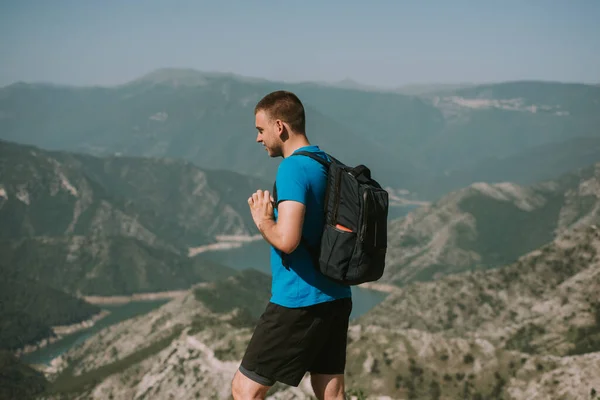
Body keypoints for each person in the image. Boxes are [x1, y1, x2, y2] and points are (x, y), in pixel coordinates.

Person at [231, 90, 353, 400]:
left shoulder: (292, 168)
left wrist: (262, 219)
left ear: (280, 127)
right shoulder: (324, 162)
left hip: (299, 300)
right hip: (336, 295)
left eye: (261, 129)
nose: (259, 139)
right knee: (331, 392)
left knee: (245, 390)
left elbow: (288, 240)